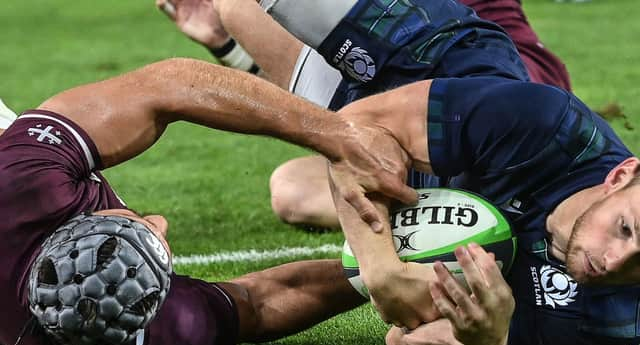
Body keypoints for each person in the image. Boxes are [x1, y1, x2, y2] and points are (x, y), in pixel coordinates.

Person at [159, 0, 640, 345]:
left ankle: (244, 53)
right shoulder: (548, 128)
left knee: (289, 182)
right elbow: (356, 131)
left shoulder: (615, 317)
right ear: (620, 176)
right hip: (429, 58)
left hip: (408, 157)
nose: (614, 261)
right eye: (624, 229)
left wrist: (487, 342)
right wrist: (381, 267)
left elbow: (403, 341)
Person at [0, 58, 421, 345]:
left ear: (74, 223)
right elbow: (256, 304)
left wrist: (335, 136)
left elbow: (170, 84)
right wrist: (387, 269)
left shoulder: (25, 174)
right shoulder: (159, 339)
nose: (160, 222)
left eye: (137, 230)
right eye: (154, 244)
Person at [157, 0, 572, 230]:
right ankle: (436, 206)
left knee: (238, 8)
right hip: (403, 109)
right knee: (290, 189)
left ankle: (428, 207)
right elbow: (349, 87)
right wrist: (230, 50)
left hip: (504, 89)